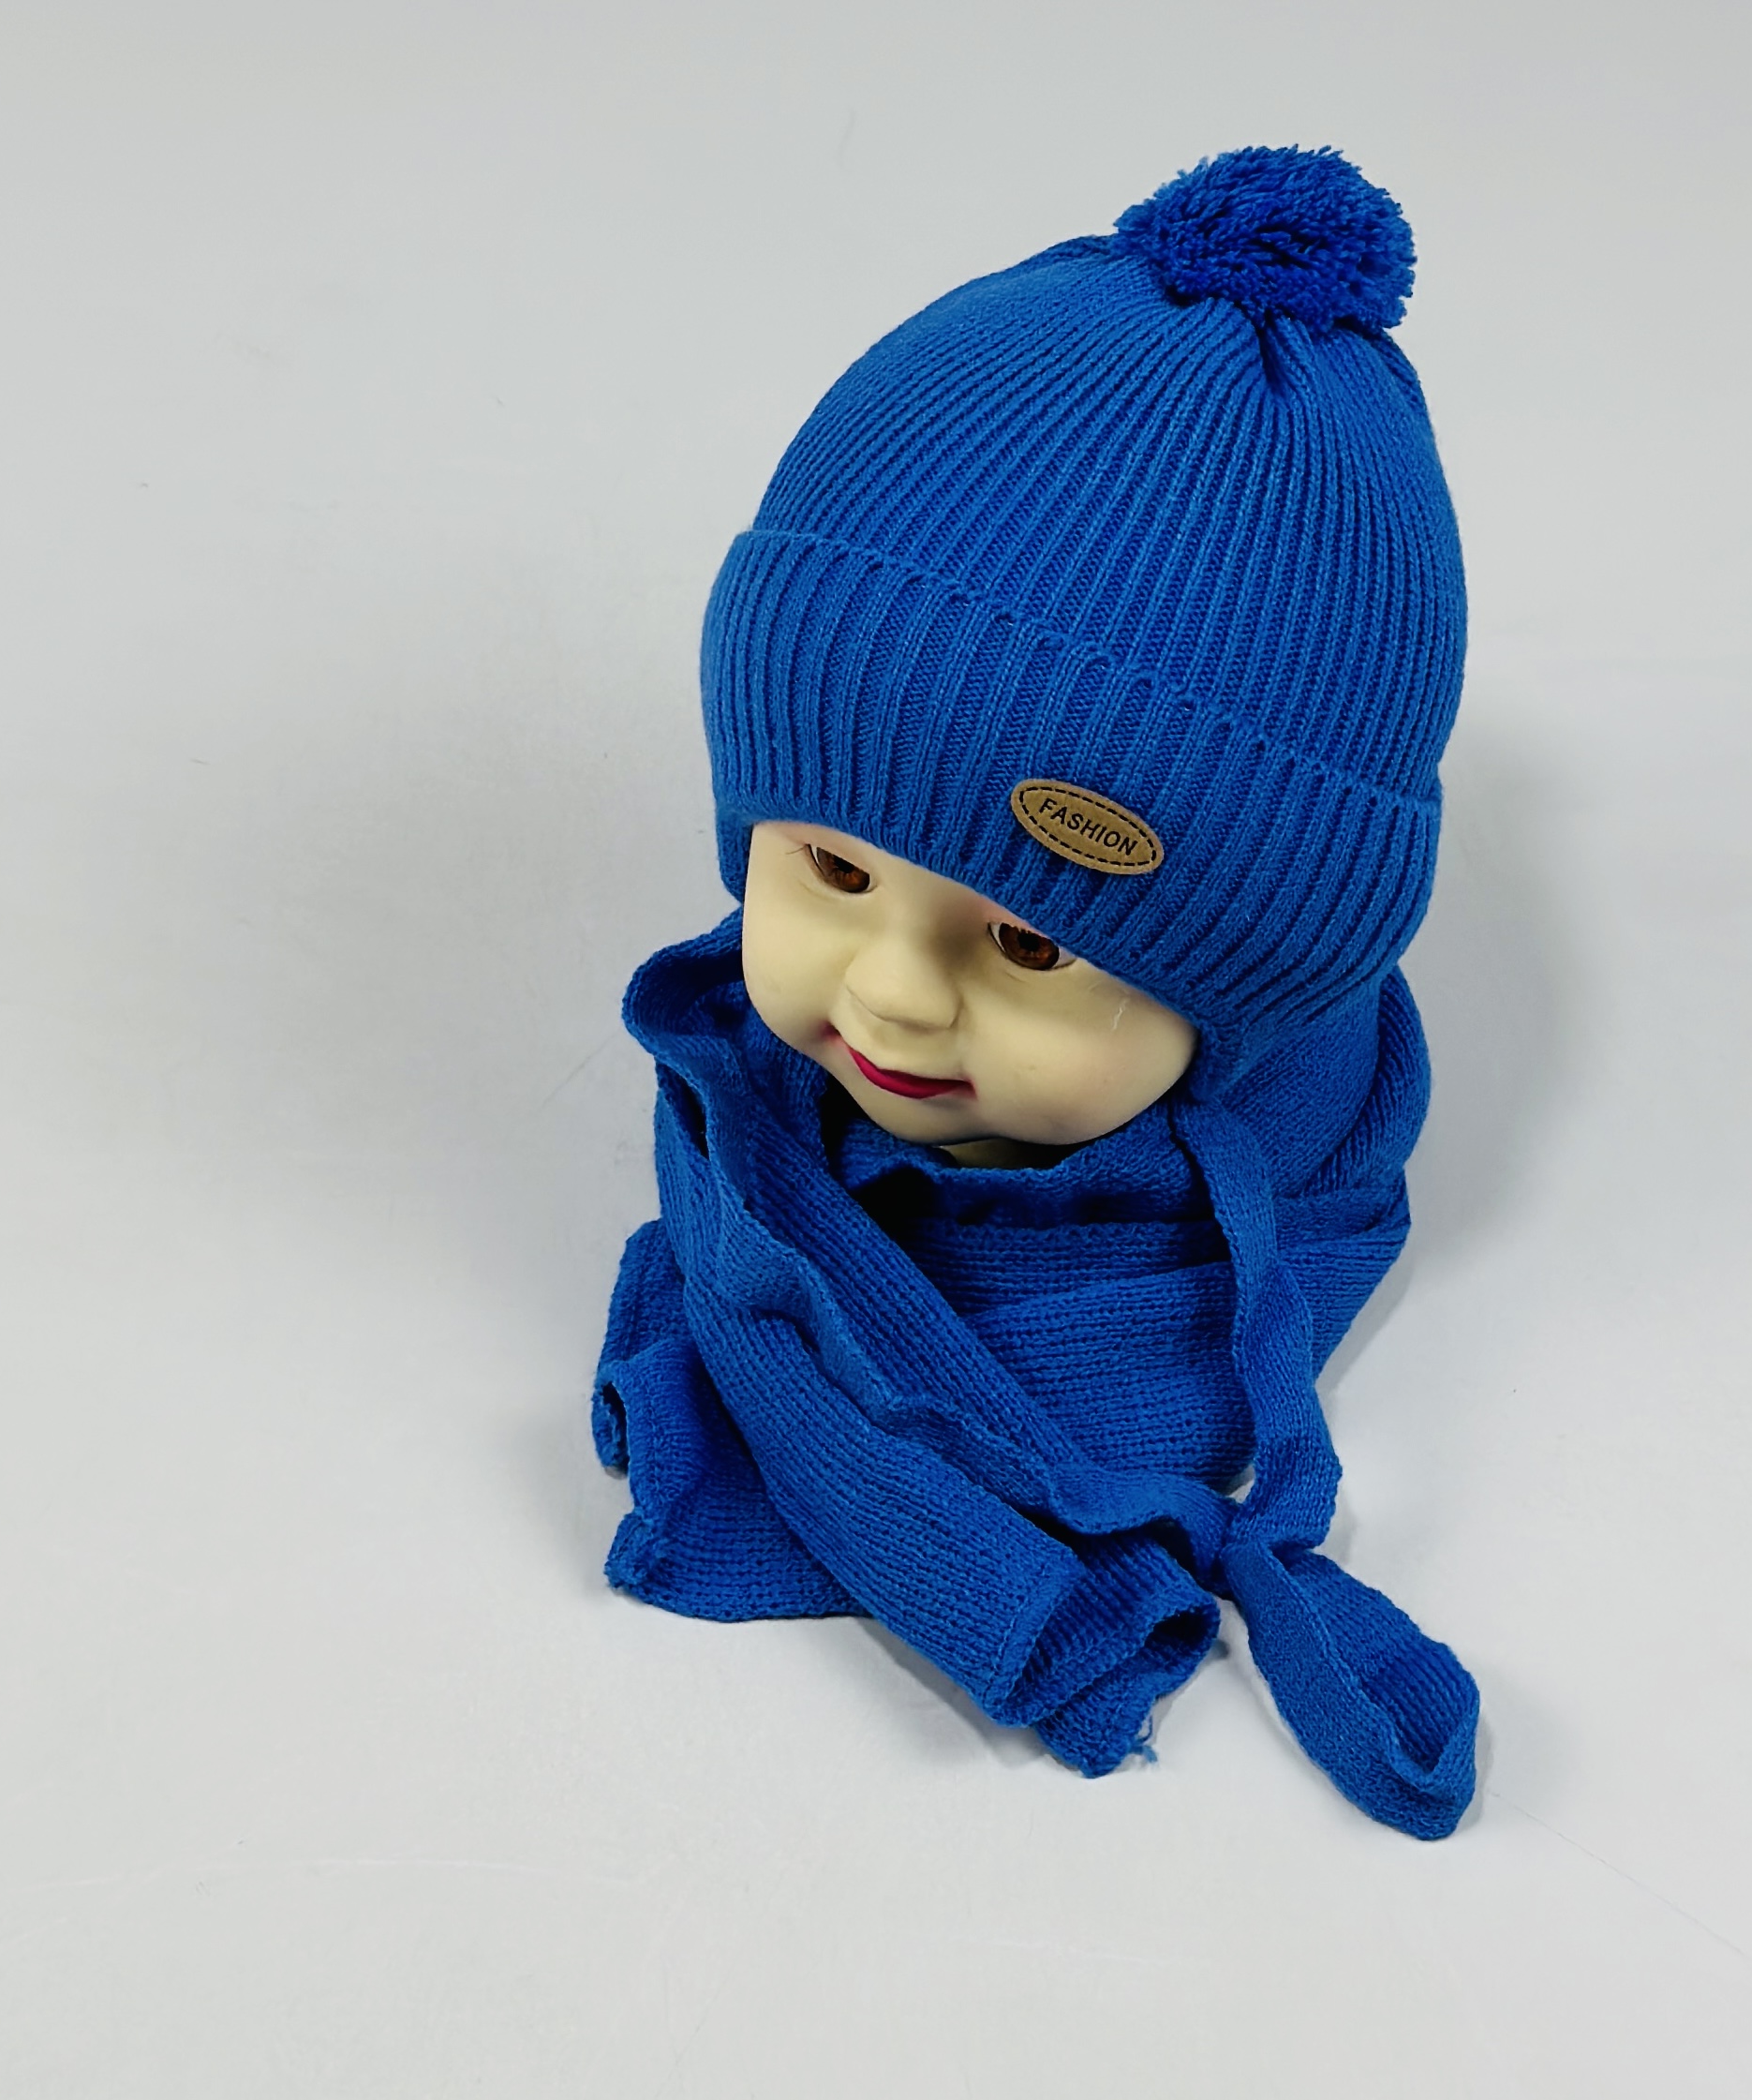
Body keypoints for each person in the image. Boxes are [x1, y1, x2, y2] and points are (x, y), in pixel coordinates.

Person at [591, 146, 1480, 1838]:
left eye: (1030, 946)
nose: (892, 1000)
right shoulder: (753, 1104)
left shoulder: (1300, 1135)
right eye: (832, 868)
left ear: (1256, 979)